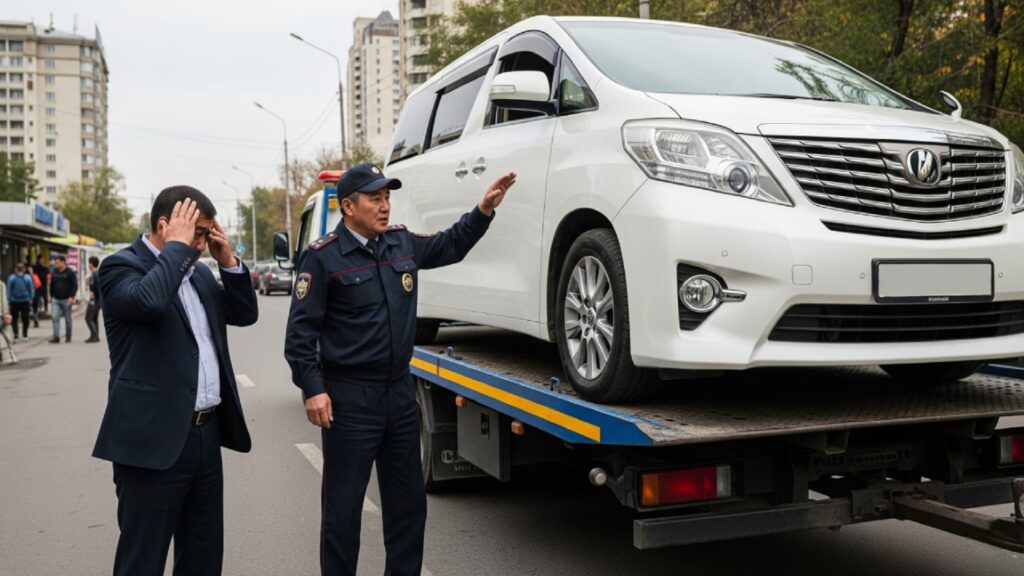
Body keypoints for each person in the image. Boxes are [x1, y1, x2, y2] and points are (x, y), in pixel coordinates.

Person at [284, 163, 516, 576]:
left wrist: (483, 210)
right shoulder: (322, 257)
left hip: (399, 394)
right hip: (349, 399)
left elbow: (451, 245)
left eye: (387, 197)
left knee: (408, 507)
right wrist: (313, 388)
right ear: (348, 206)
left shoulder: (401, 243)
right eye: (375, 198)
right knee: (343, 512)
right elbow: (300, 334)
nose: (385, 205)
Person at [92, 187, 258, 576]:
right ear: (166, 225)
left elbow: (244, 313)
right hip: (151, 441)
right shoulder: (120, 267)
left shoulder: (199, 273)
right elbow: (150, 301)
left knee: (203, 557)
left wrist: (227, 261)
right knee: (142, 560)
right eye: (197, 233)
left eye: (207, 234)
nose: (201, 245)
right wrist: (179, 248)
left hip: (204, 437)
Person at [48, 255, 77, 343]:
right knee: (54, 317)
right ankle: (56, 337)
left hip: (66, 299)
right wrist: (51, 295)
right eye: (55, 263)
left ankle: (68, 336)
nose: (56, 264)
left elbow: (74, 285)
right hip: (56, 299)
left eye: (57, 263)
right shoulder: (54, 272)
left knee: (68, 319)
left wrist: (71, 297)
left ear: (63, 262)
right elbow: (52, 284)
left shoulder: (70, 272)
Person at [6, 262, 34, 340]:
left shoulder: (12, 278)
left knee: (16, 319)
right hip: (21, 301)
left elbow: (9, 290)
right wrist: (31, 298)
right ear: (24, 269)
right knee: (24, 319)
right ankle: (22, 334)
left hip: (17, 301)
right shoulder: (26, 278)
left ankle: (18, 334)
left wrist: (8, 300)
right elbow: (31, 289)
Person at [0, 274, 17, 365]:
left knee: (4, 333)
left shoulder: (1, 285)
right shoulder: (1, 284)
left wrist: (6, 313)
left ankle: (7, 355)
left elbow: (3, 301)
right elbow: (4, 301)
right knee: (5, 333)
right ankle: (10, 354)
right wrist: (6, 313)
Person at [85, 256, 102, 342]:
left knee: (88, 318)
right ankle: (95, 335)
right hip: (97, 300)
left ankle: (94, 335)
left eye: (89, 263)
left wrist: (95, 297)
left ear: (91, 264)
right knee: (94, 318)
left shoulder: (95, 274)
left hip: (95, 300)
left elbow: (97, 288)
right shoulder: (95, 274)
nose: (88, 265)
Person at [32, 255, 50, 327]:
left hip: (43, 286)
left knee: (43, 300)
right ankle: (36, 318)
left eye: (43, 259)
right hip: (37, 287)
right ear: (39, 259)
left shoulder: (45, 267)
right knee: (36, 302)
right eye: (42, 259)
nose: (43, 260)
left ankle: (43, 311)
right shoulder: (35, 267)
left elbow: (48, 275)